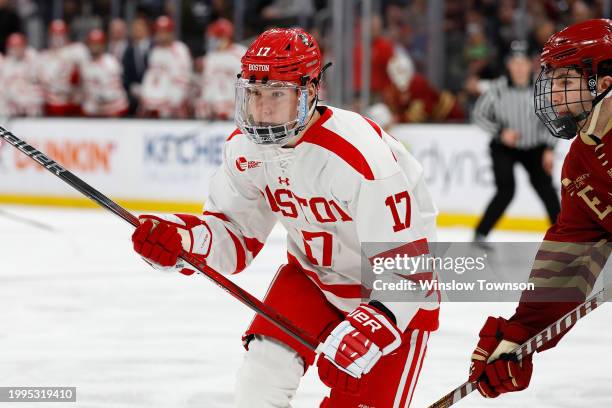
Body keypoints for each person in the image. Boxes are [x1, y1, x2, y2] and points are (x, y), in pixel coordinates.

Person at [130, 27, 439, 407]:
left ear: (310, 91)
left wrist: (376, 323)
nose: (261, 108)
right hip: (312, 279)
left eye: (277, 93)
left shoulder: (357, 156)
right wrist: (183, 240)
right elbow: (236, 238)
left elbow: (407, 263)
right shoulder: (245, 149)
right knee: (258, 386)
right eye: (254, 93)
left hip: (392, 300)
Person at [468, 19, 611, 399]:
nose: (556, 96)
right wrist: (519, 336)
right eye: (553, 82)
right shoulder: (582, 164)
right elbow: (569, 259)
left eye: (566, 82)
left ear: (605, 82)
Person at [472, 41, 560, 244]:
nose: (519, 68)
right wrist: (500, 132)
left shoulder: (543, 88)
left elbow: (554, 117)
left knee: (546, 189)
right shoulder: (497, 89)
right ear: (508, 65)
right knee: (506, 190)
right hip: (505, 148)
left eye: (523, 63)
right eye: (515, 63)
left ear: (531, 65)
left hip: (535, 147)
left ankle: (563, 236)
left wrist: (549, 148)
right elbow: (478, 115)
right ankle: (481, 233)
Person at [139, 15, 192, 118]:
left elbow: (183, 80)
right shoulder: (155, 51)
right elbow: (152, 77)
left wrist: (172, 104)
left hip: (173, 110)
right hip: (153, 107)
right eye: (159, 31)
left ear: (171, 32)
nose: (161, 35)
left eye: (164, 31)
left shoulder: (179, 50)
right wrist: (145, 95)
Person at [195, 18, 246, 120]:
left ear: (225, 37)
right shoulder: (210, 57)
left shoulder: (241, 53)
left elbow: (246, 84)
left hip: (235, 111)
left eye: (215, 38)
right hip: (212, 111)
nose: (212, 41)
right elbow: (206, 84)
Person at [38, 20, 88, 116]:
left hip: (74, 102)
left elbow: (86, 75)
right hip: (53, 103)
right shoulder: (44, 56)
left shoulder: (77, 50)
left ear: (67, 34)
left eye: (61, 33)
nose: (57, 37)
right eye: (54, 34)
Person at [80, 29, 128, 117]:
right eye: (92, 43)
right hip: (95, 110)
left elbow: (114, 90)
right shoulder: (85, 64)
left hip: (113, 108)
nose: (94, 46)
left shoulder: (110, 61)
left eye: (97, 43)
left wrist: (101, 96)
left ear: (102, 45)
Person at [0, 33, 43, 117]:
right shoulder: (5, 64)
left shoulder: (34, 60)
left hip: (30, 106)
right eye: (13, 46)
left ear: (24, 46)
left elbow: (39, 89)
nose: (16, 49)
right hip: (10, 108)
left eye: (18, 46)